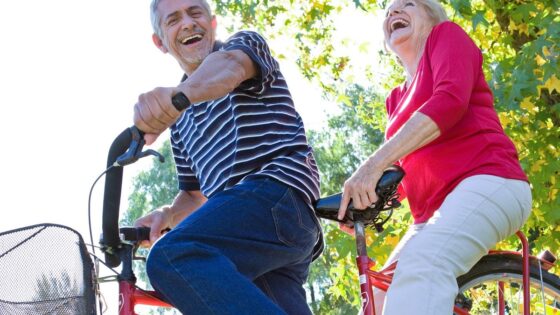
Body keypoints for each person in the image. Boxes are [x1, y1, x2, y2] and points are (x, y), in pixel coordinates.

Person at [337, 0, 532, 314]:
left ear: (432, 15)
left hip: (492, 180)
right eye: (388, 12)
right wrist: (368, 198)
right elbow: (404, 169)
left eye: (408, 4)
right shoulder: (396, 98)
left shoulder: (446, 36)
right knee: (377, 294)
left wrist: (371, 166)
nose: (394, 13)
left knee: (423, 264)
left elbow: (449, 101)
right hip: (430, 216)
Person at [132, 0, 323, 314]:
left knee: (174, 255)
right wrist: (166, 215)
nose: (189, 23)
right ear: (160, 42)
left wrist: (176, 98)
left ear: (212, 22)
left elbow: (230, 69)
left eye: (196, 13)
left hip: (277, 198)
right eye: (174, 19)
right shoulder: (180, 122)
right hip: (243, 229)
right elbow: (195, 195)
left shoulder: (244, 46)